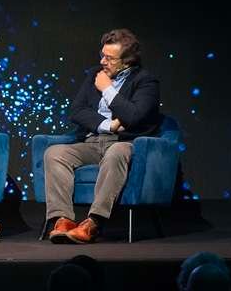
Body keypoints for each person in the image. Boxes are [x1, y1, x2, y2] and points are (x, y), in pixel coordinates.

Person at [44, 29, 162, 244]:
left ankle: (94, 222)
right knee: (54, 153)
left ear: (127, 62)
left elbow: (134, 116)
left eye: (110, 58)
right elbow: (77, 111)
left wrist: (107, 89)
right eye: (102, 55)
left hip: (124, 143)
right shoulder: (94, 75)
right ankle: (63, 220)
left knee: (116, 152)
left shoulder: (146, 81)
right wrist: (109, 125)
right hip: (93, 141)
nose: (102, 62)